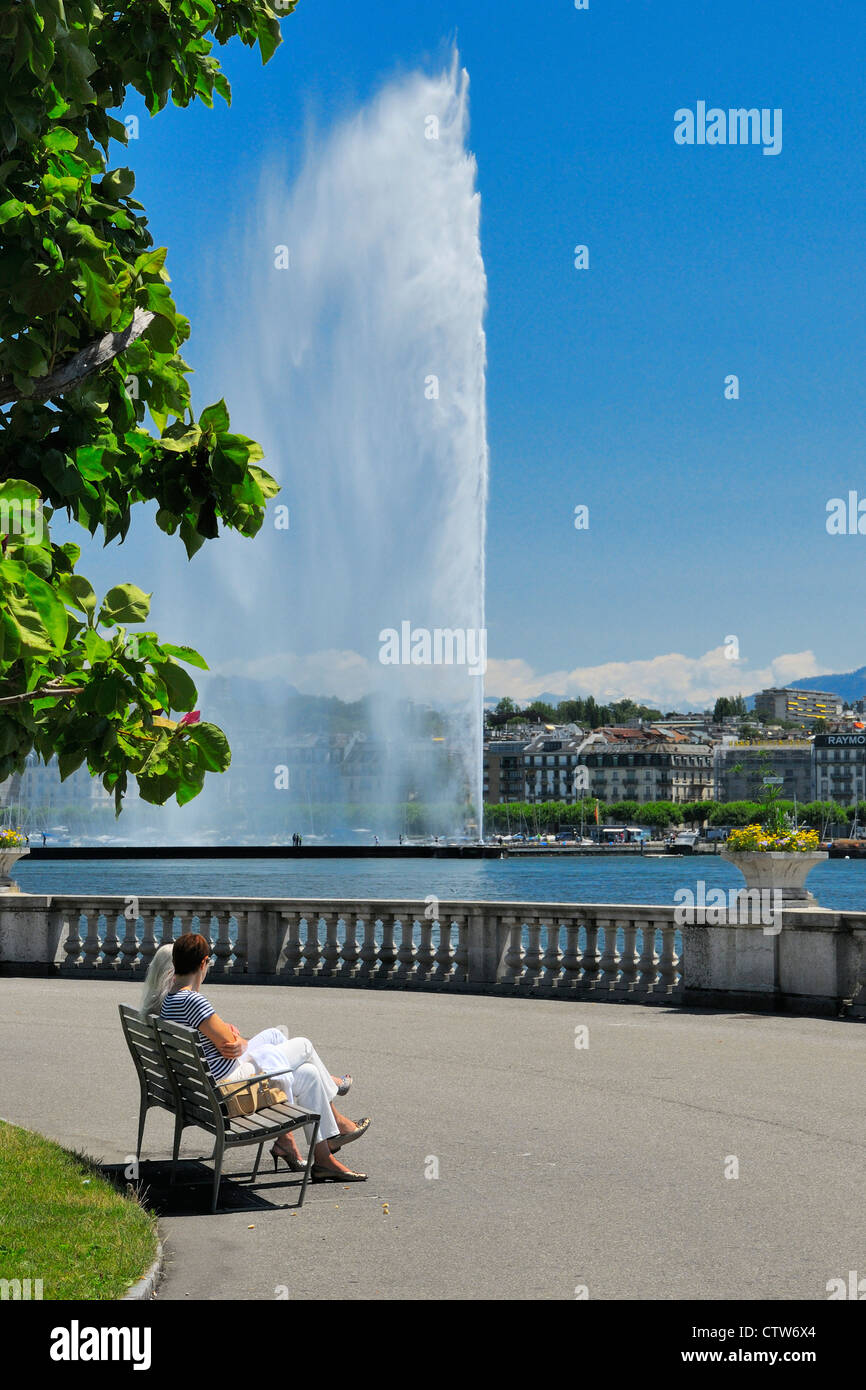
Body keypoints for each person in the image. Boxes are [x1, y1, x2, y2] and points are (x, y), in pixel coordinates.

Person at [140, 934, 369, 1182]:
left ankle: (324, 1160)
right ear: (204, 962)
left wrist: (231, 1039)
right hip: (231, 1089)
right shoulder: (194, 1001)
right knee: (303, 1045)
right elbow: (230, 1042)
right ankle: (334, 1098)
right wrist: (233, 1039)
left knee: (309, 1074)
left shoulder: (171, 1001)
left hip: (207, 1091)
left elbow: (223, 1039)